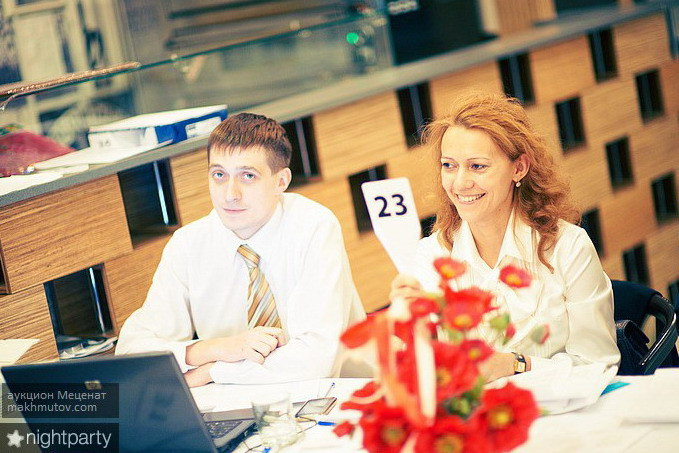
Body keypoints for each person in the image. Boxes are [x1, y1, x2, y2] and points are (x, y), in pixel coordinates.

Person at [116, 113, 365, 387]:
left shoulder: (314, 226)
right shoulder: (188, 245)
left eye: (248, 176)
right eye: (219, 175)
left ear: (281, 181)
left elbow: (316, 360)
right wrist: (215, 349)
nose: (230, 194)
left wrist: (212, 372)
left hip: (336, 393)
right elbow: (130, 353)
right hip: (229, 401)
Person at [390, 92, 620, 381]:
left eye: (477, 166)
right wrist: (406, 335)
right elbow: (424, 366)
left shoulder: (568, 247)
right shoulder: (432, 255)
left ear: (519, 168)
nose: (460, 183)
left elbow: (599, 366)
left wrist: (515, 364)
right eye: (449, 165)